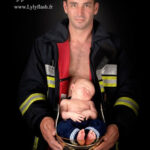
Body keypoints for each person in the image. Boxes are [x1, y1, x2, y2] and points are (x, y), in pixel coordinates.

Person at [18, 0, 139, 150]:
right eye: (74, 4)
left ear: (95, 8)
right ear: (65, 6)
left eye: (86, 5)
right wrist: (42, 120)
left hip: (102, 143)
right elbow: (28, 92)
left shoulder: (114, 48)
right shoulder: (44, 46)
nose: (80, 12)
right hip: (53, 145)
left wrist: (118, 127)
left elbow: (130, 94)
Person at [57, 78, 106, 146]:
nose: (87, 91)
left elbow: (95, 115)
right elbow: (63, 115)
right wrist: (71, 115)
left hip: (88, 123)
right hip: (71, 122)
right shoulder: (65, 101)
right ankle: (76, 136)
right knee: (61, 126)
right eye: (84, 88)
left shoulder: (90, 103)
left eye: (90, 92)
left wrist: (89, 113)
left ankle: (90, 135)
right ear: (73, 87)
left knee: (100, 123)